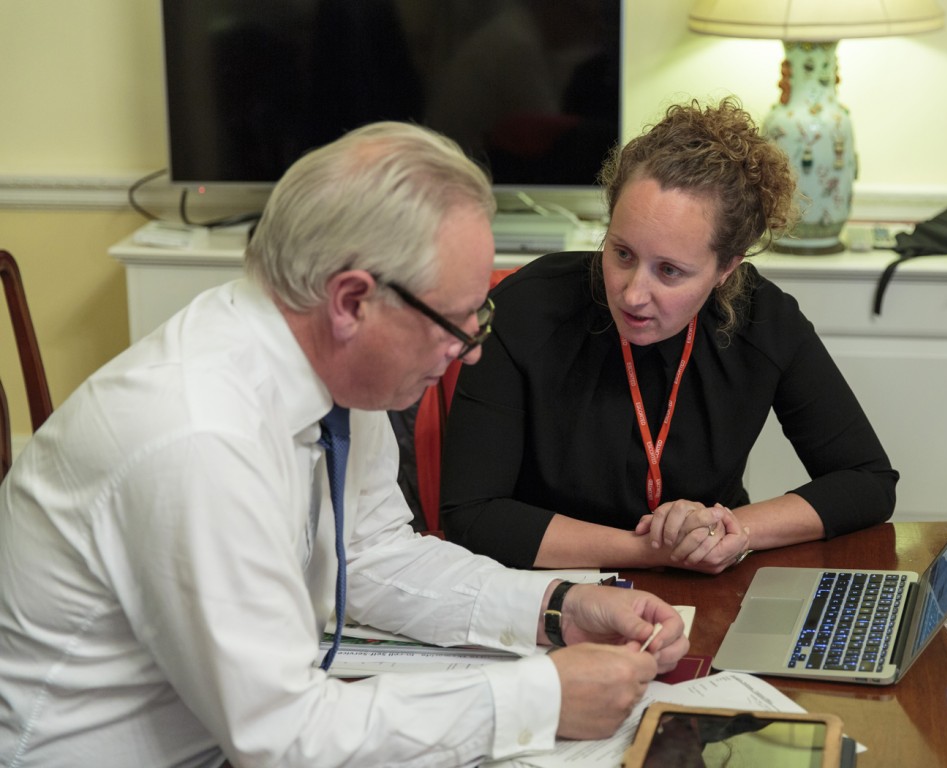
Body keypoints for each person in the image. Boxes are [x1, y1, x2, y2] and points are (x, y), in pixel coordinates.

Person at [0, 123, 688, 768]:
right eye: (455, 320)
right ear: (352, 301)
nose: (469, 352)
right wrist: (539, 699)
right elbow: (284, 738)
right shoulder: (198, 438)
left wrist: (559, 607)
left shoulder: (331, 374)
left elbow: (369, 555)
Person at [440, 98, 899, 573]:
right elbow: (473, 515)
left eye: (670, 271)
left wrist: (731, 530)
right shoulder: (527, 309)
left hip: (708, 589)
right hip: (548, 586)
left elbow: (866, 480)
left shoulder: (762, 319)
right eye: (621, 253)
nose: (634, 294)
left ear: (726, 268)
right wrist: (655, 551)